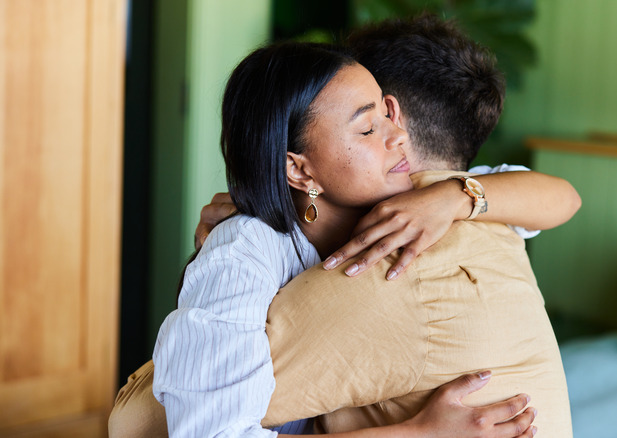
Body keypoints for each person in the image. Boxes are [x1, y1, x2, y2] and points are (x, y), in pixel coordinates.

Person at [110, 16, 579, 438]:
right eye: (368, 126)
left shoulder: (425, 197)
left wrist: (455, 196)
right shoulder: (243, 254)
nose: (398, 137)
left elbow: (561, 197)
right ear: (300, 170)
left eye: (386, 113)